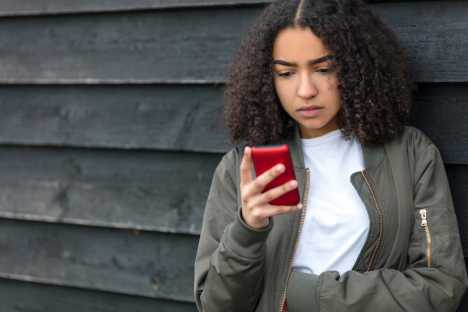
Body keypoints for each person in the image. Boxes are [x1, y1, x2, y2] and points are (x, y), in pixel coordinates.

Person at [193, 0, 468, 311]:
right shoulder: (244, 167)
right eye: (286, 73)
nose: (306, 90)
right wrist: (248, 230)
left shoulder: (411, 154)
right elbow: (215, 305)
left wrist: (309, 295)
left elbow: (441, 285)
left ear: (354, 67)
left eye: (324, 69)